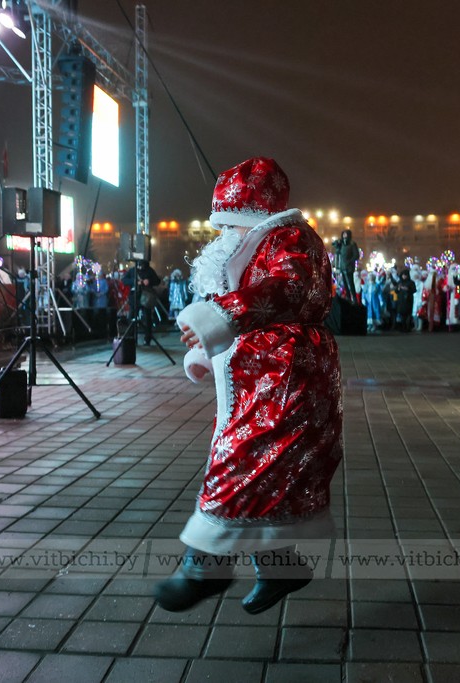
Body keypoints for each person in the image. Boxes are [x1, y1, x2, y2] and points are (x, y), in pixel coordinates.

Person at [157, 157, 343, 615]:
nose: (224, 234)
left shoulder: (291, 238)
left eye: (230, 223)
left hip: (285, 379)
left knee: (245, 460)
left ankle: (205, 566)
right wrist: (207, 347)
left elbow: (283, 290)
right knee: (269, 470)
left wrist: (218, 317)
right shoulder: (260, 243)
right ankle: (279, 565)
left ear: (250, 214)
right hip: (264, 378)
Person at [333, 229, 360, 302]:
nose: (344, 236)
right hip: (342, 267)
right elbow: (337, 252)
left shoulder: (352, 244)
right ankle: (348, 298)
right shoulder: (341, 244)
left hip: (349, 267)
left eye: (346, 234)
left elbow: (356, 255)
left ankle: (354, 298)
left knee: (350, 283)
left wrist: (350, 261)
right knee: (345, 284)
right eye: (343, 234)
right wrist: (337, 245)